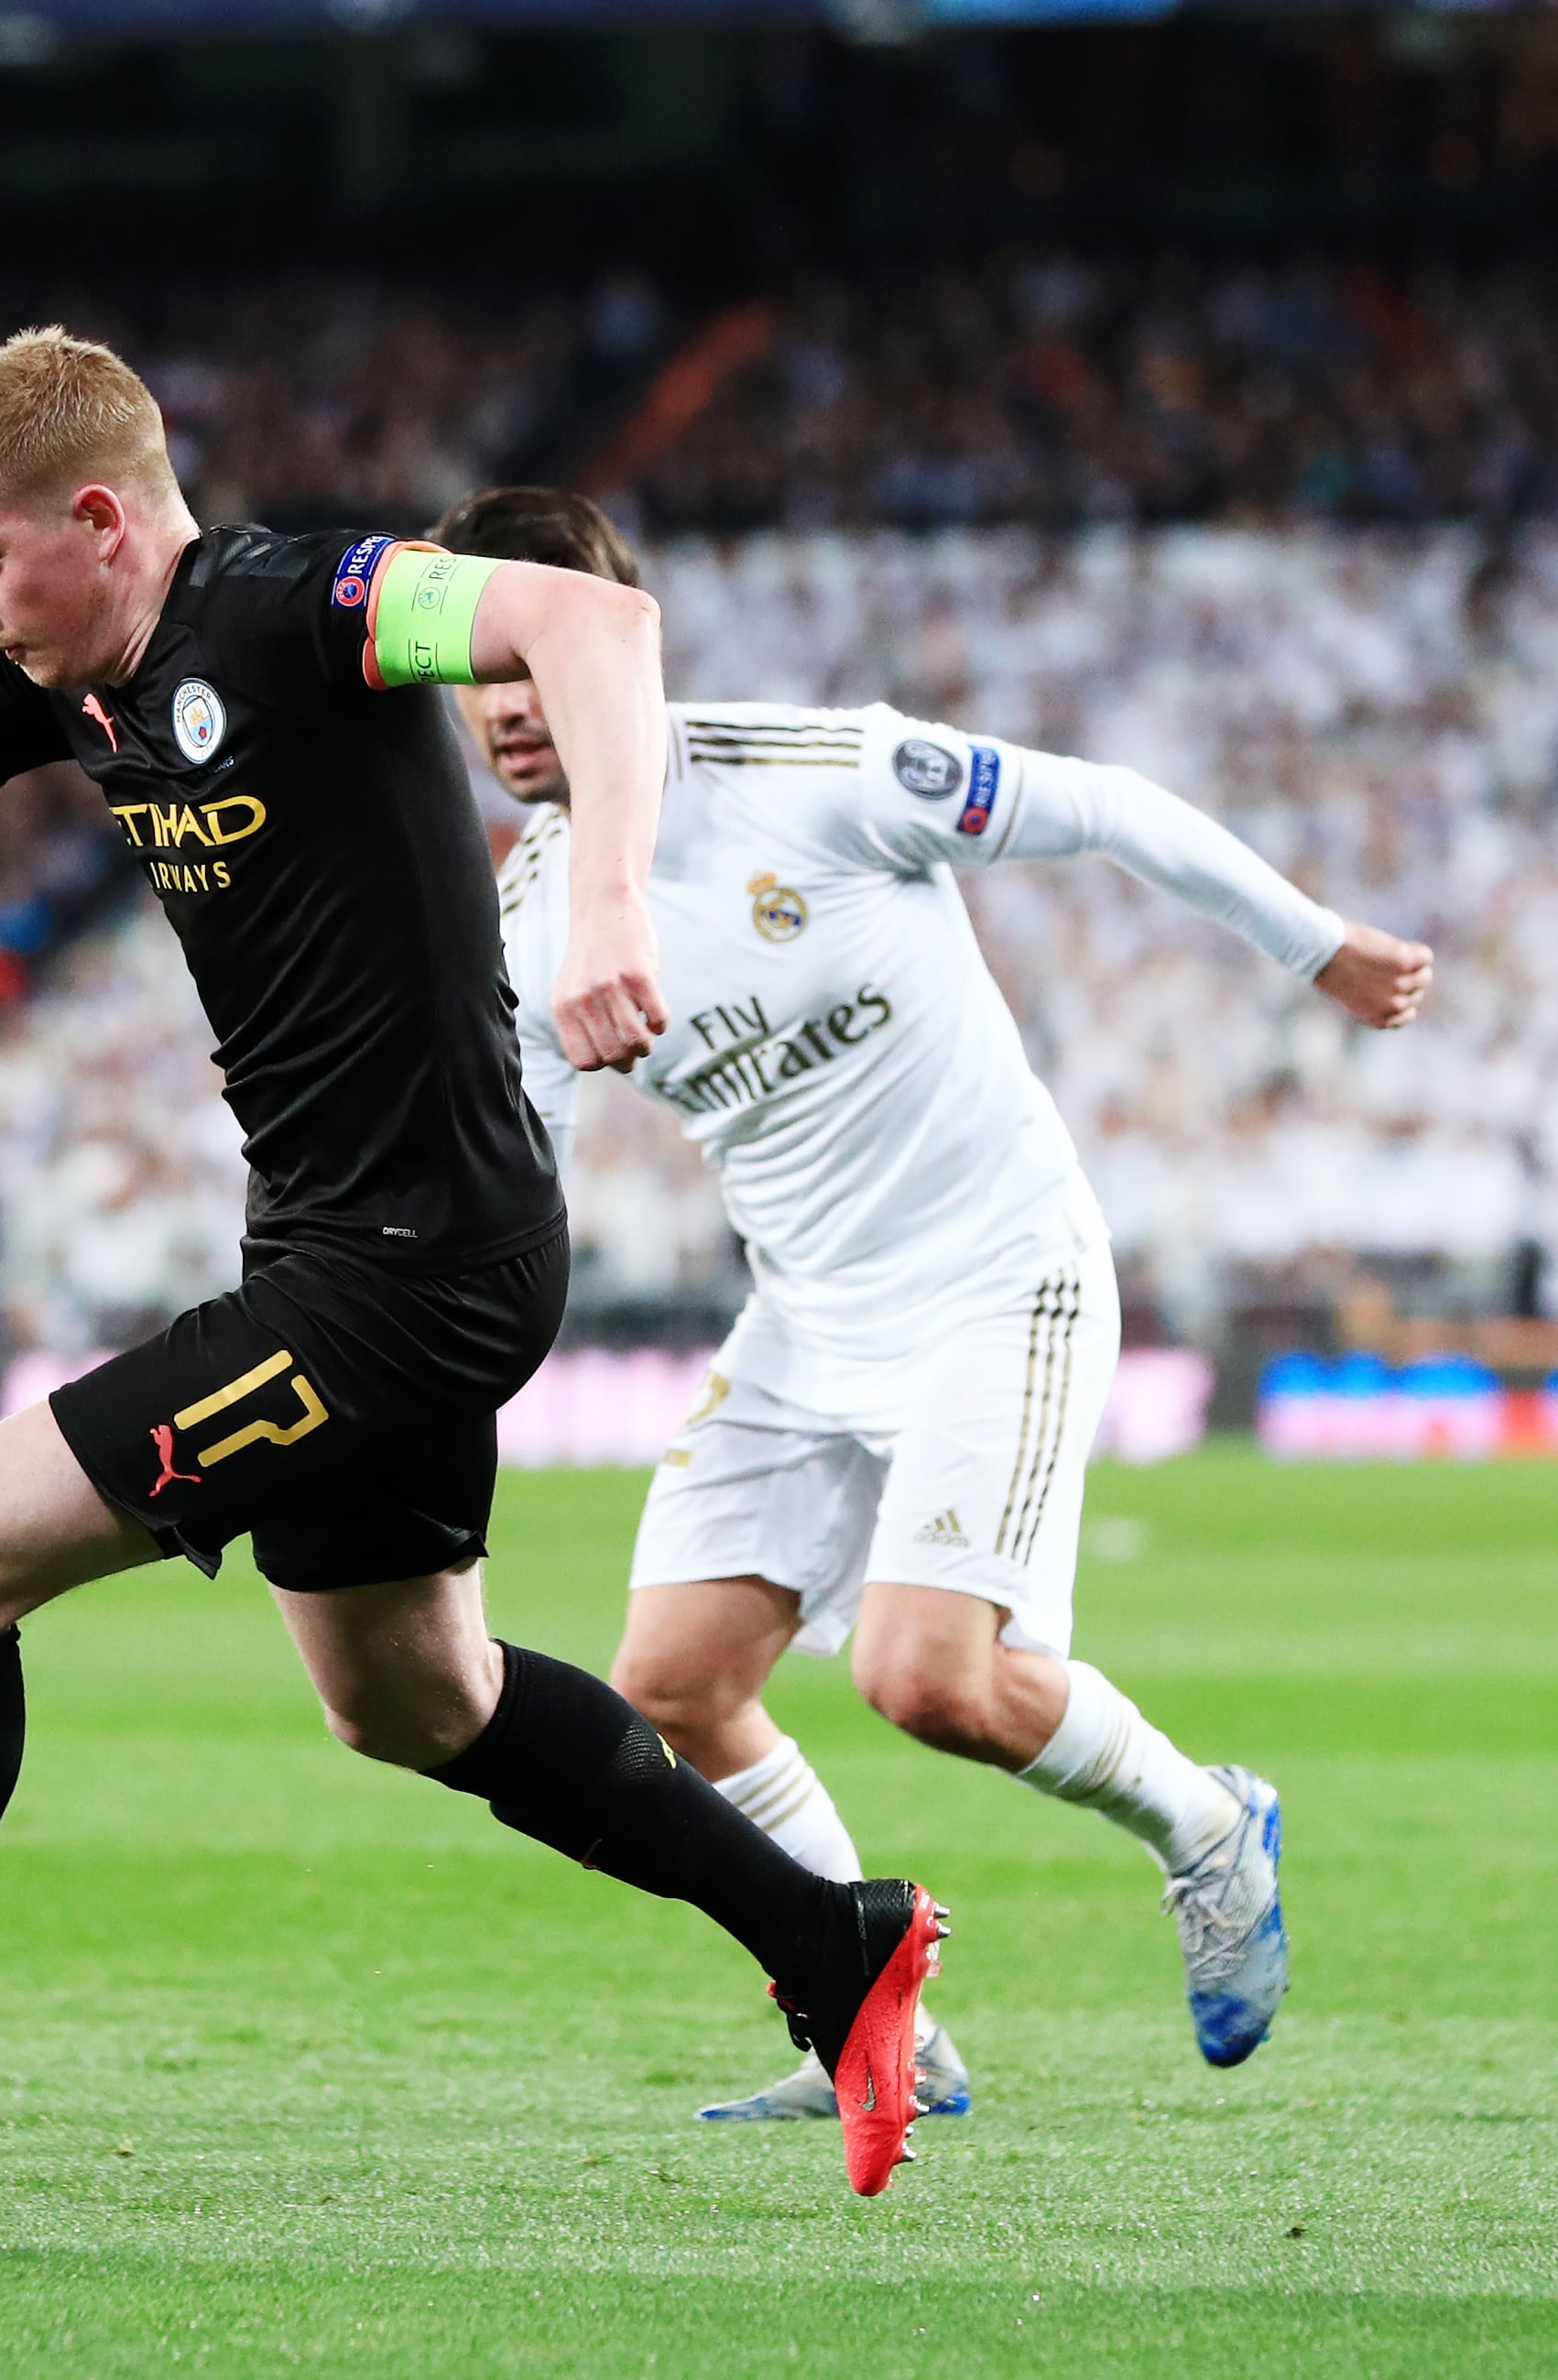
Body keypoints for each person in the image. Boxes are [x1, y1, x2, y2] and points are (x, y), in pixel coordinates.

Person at [0, 327, 951, 2216]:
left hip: (396, 1278)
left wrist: (616, 898)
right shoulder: (61, 686)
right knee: (418, 1703)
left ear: (96, 518)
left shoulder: (297, 604)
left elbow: (593, 628)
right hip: (379, 1255)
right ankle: (835, 1941)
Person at [441, 485, 1432, 2123]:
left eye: (534, 667)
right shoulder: (532, 917)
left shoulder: (816, 770)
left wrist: (1311, 943)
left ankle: (1204, 1824)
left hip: (996, 1273)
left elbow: (1105, 804)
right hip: (803, 1313)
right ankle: (870, 2012)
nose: (504, 709)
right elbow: (499, 1164)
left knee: (927, 1676)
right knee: (675, 1676)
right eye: (478, 678)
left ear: (622, 651)